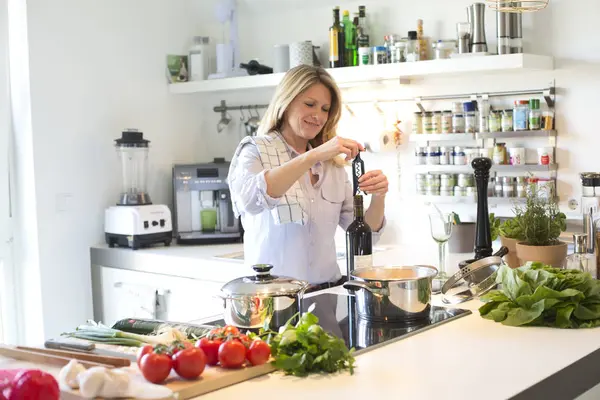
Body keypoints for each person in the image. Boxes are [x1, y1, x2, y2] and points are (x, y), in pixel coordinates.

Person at [227, 64, 388, 289]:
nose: (318, 116)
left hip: (327, 294)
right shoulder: (255, 150)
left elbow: (363, 234)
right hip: (272, 299)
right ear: (286, 101)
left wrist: (379, 197)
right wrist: (313, 155)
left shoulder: (333, 165)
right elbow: (249, 201)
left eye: (325, 109)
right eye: (309, 104)